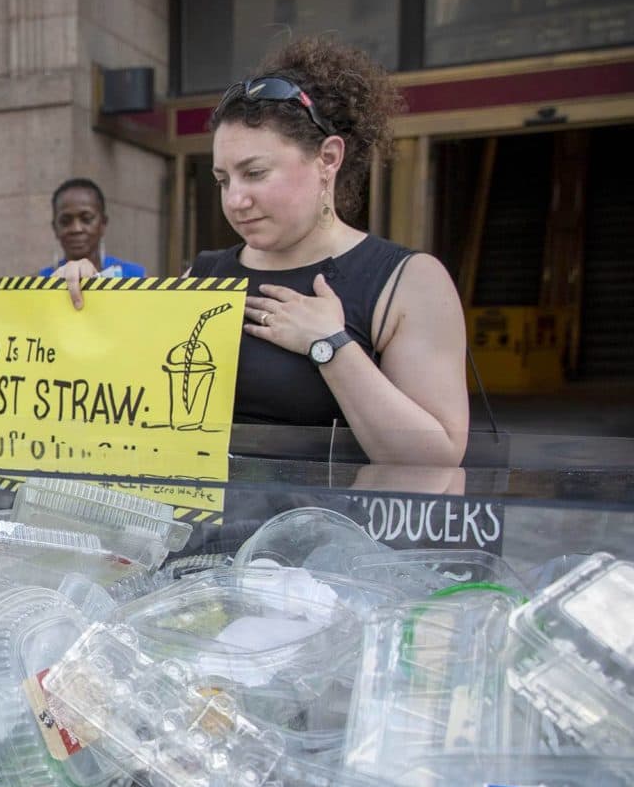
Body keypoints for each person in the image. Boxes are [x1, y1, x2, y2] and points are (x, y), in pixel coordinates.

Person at [52, 37, 468, 467]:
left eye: (254, 173)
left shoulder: (408, 280)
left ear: (328, 158)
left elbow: (437, 458)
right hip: (209, 530)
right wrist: (88, 309)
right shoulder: (205, 273)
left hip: (333, 530)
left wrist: (331, 346)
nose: (235, 199)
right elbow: (133, 399)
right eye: (223, 180)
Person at [36, 178, 146, 280]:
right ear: (55, 228)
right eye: (65, 221)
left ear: (103, 223)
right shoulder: (37, 284)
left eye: (86, 219)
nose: (76, 229)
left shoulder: (135, 277)